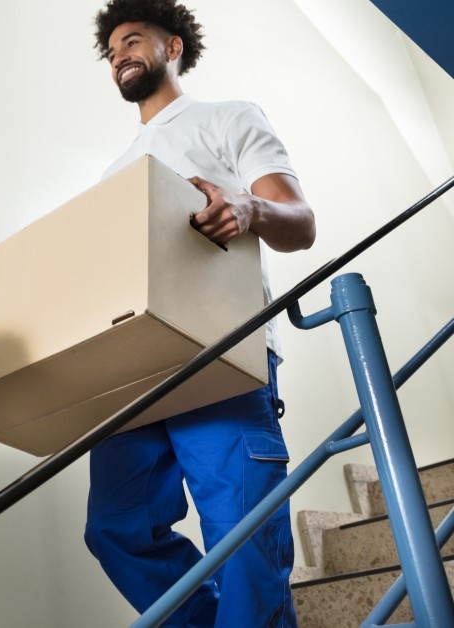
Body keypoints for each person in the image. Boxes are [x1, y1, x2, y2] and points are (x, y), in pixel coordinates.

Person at [84, 1, 317, 626]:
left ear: (174, 48)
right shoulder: (112, 175)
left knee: (241, 539)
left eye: (133, 41)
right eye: (111, 52)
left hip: (222, 353)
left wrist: (250, 210)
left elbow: (302, 224)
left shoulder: (227, 119)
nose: (120, 56)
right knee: (114, 529)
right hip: (133, 370)